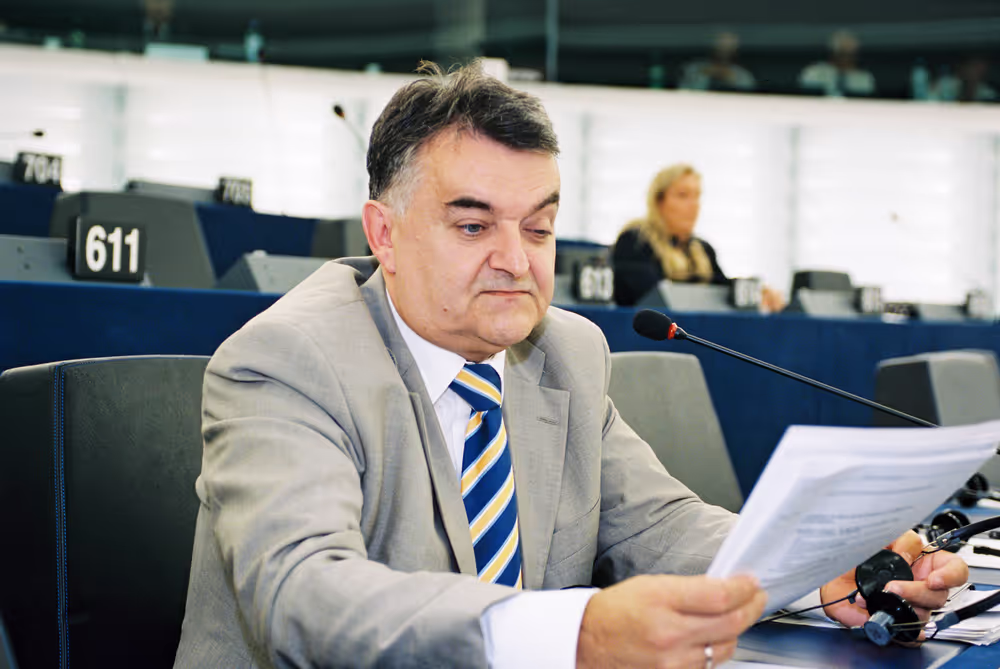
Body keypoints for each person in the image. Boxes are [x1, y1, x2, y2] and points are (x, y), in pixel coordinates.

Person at [174, 61, 966, 668]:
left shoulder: (563, 350)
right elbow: (303, 592)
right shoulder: (286, 360)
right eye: (474, 226)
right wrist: (575, 632)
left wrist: (827, 565)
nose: (517, 262)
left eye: (540, 227)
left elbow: (661, 526)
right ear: (384, 233)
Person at [612, 164, 784, 311]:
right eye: (683, 195)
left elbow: (720, 290)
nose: (693, 205)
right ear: (659, 201)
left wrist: (754, 292)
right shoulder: (635, 241)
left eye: (697, 196)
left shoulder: (703, 249)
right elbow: (652, 298)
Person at [799, 30, 876, 97]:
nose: (846, 59)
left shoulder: (864, 78)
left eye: (850, 55)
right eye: (842, 54)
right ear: (833, 54)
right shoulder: (814, 72)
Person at [679, 32, 756, 92]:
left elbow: (747, 96)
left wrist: (730, 78)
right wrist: (704, 75)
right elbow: (684, 93)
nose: (723, 49)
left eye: (728, 45)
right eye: (720, 43)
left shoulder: (743, 75)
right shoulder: (694, 68)